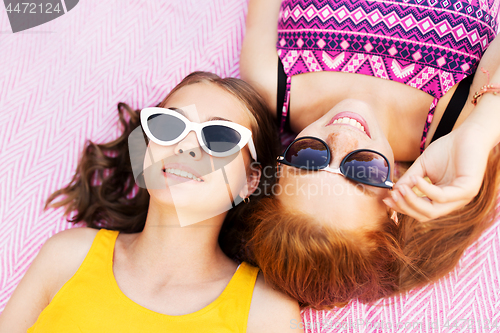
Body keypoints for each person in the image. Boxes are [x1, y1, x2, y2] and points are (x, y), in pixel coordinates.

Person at [240, 0, 500, 308]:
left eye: (308, 158)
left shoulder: (271, 81)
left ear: (279, 163)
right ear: (395, 201)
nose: (342, 140)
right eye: (362, 171)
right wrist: (480, 131)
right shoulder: (455, 121)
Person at [0, 72, 302, 332]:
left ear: (250, 180)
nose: (185, 146)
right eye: (169, 126)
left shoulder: (264, 309)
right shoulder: (67, 256)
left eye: (220, 137)